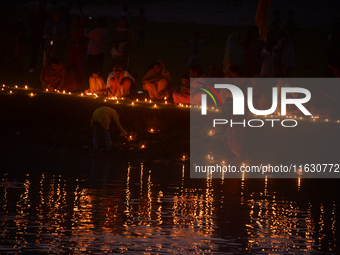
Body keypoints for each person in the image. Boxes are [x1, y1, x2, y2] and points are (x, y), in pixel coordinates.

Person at [28, 0, 51, 73]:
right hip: (37, 34)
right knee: (35, 51)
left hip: (45, 35)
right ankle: (32, 66)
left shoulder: (47, 15)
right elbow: (32, 25)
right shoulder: (36, 14)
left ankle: (46, 66)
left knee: (46, 51)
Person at [67, 15, 87, 91]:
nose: (74, 22)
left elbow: (84, 42)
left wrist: (78, 44)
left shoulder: (82, 30)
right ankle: (71, 85)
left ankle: (79, 85)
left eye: (75, 21)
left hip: (79, 51)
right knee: (72, 67)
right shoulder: (74, 29)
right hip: (73, 51)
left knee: (78, 68)